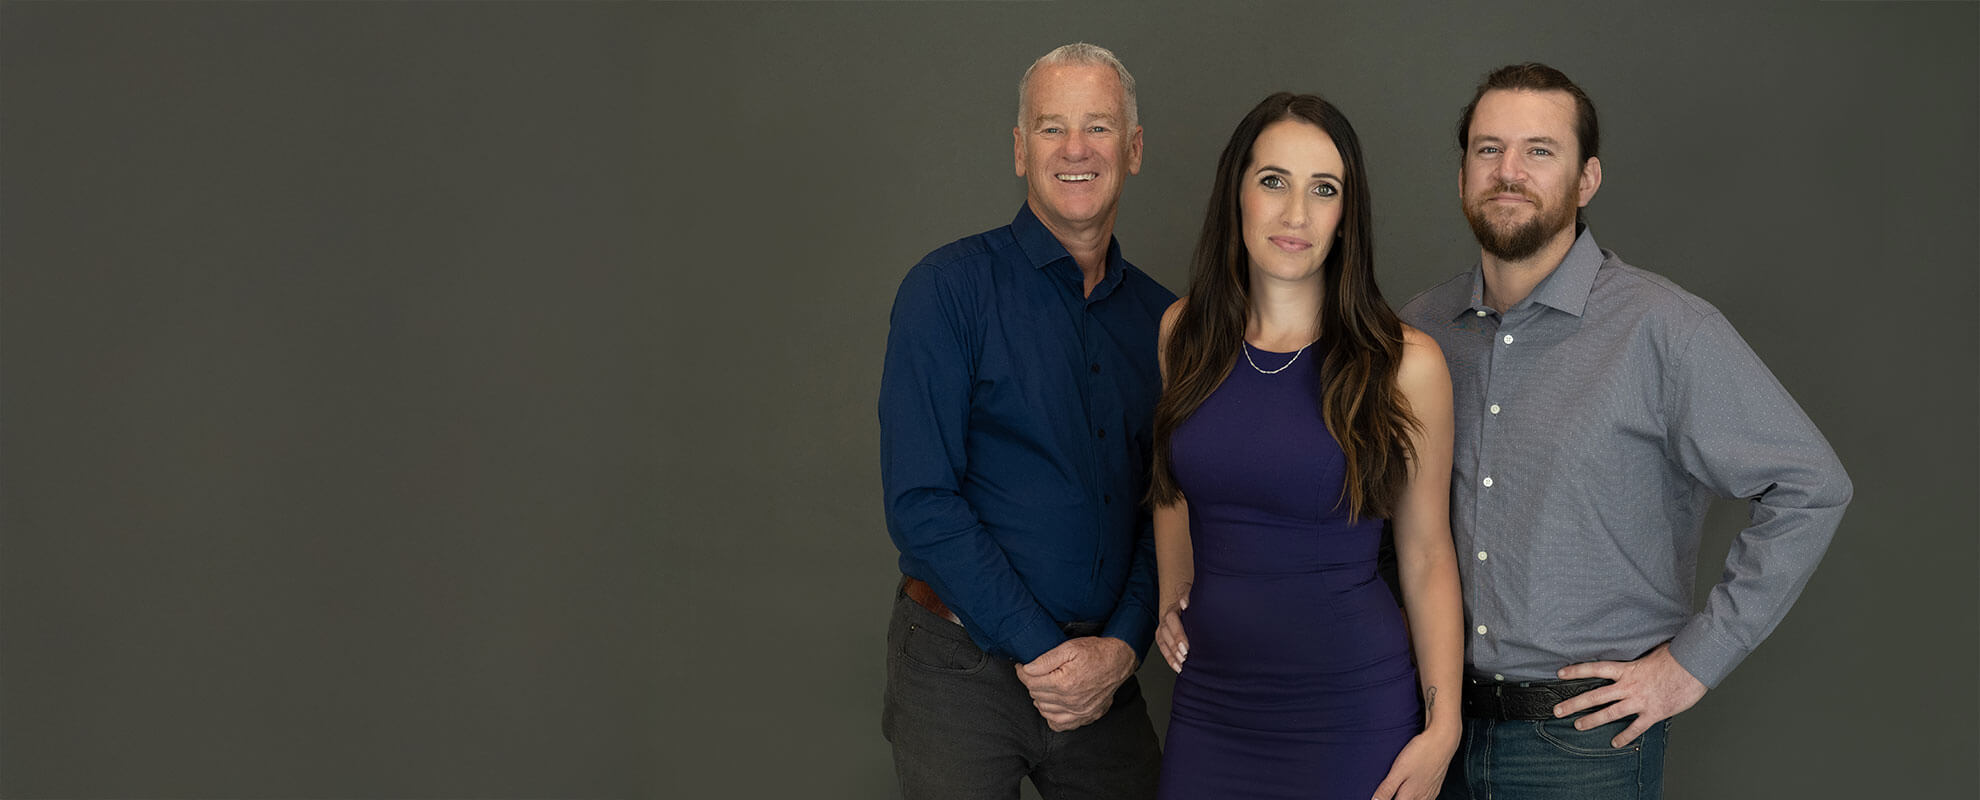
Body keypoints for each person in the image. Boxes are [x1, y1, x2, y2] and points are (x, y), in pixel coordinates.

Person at [1397, 63, 1853, 800]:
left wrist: (1693, 663)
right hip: (1422, 730)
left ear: (1587, 179)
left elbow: (1812, 486)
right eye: (1488, 149)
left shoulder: (1664, 330)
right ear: (1461, 175)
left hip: (1579, 749)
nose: (1508, 172)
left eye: (1539, 151)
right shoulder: (1419, 331)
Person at [1149, 92, 1464, 800]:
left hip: (1352, 714)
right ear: (1237, 194)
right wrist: (1174, 590)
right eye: (1273, 182)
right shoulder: (1182, 334)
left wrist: (1443, 732)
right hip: (1212, 710)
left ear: (1345, 217)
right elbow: (1173, 483)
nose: (1296, 214)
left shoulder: (1406, 364)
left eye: (1323, 190)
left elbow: (1425, 554)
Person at [877, 42, 1172, 800]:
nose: (1076, 150)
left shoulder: (1165, 323)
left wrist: (1121, 651)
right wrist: (1046, 653)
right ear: (1019, 150)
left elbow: (1165, 505)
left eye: (1099, 127)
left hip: (1102, 678)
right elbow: (921, 504)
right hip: (959, 669)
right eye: (1051, 128)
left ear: (1133, 150)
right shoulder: (945, 291)